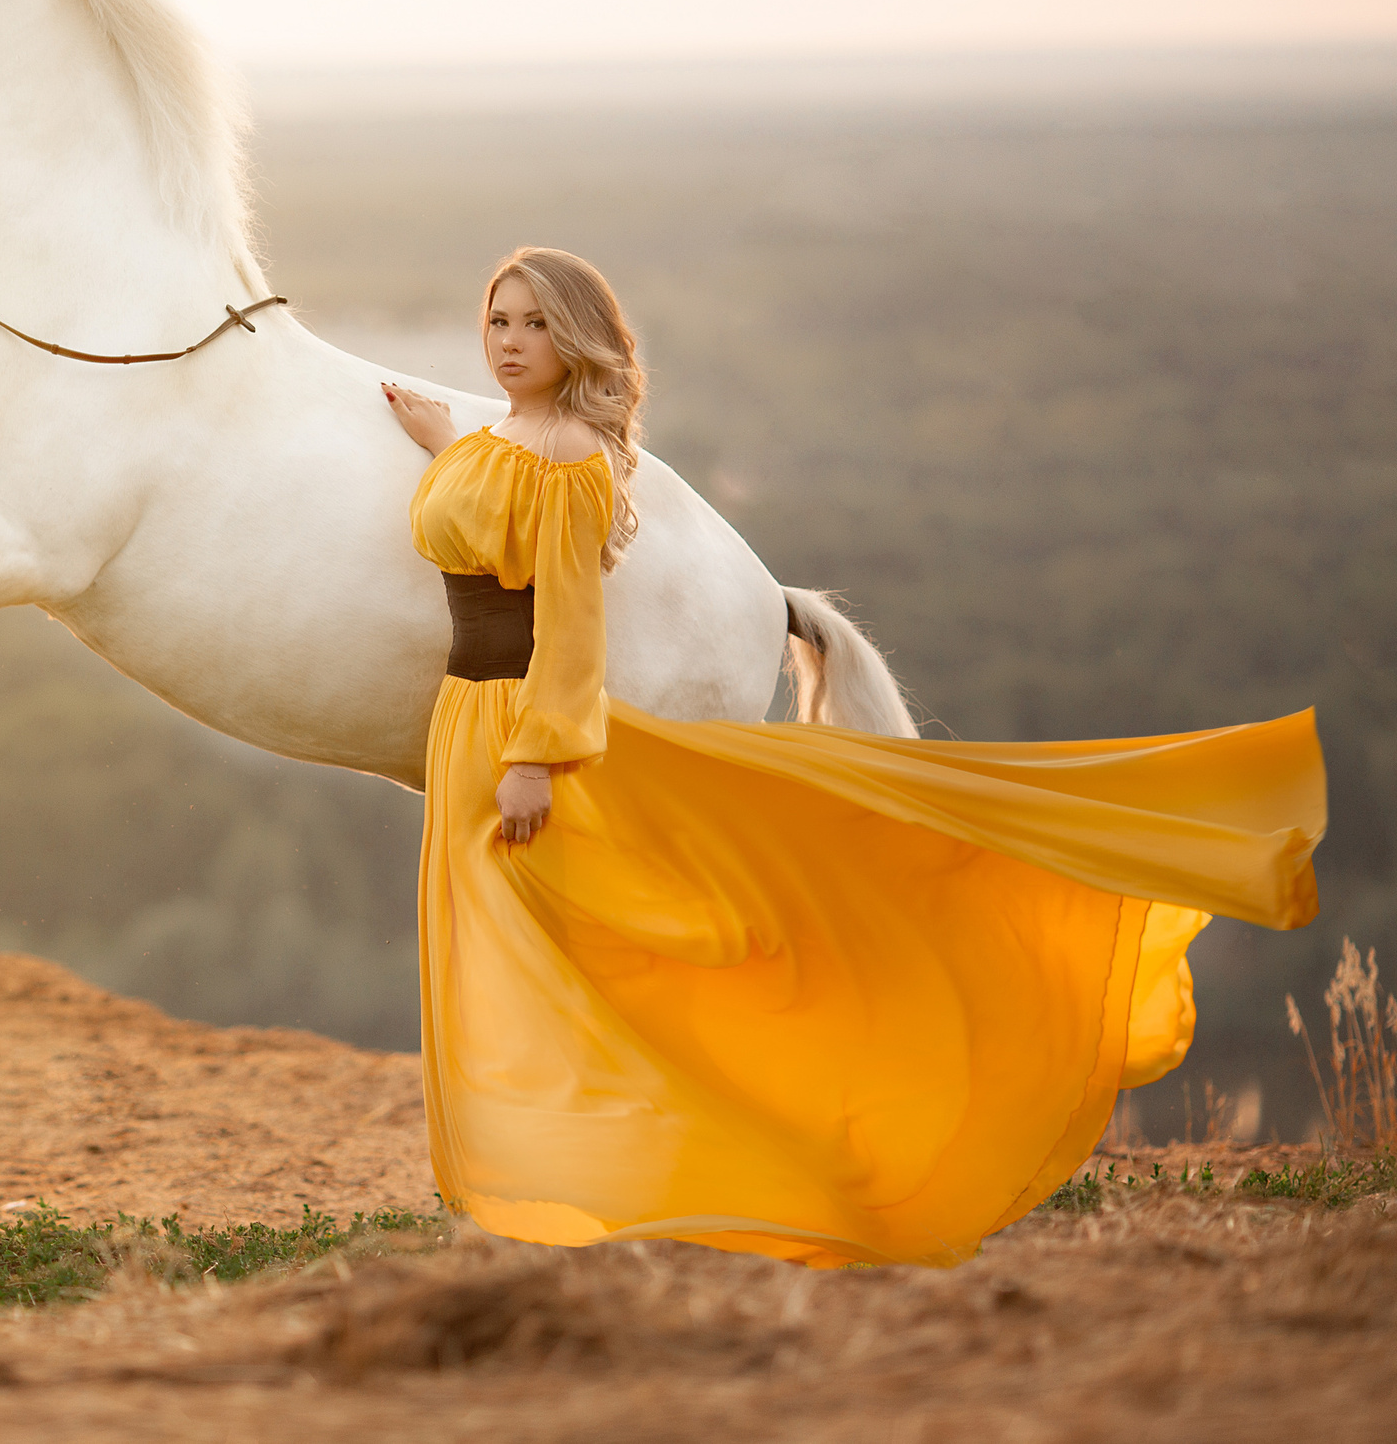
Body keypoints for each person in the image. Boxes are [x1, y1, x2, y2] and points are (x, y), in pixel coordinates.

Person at [380, 246, 1324, 1269]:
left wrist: (533, 757)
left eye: (534, 326)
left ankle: (711, 1165)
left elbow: (568, 622)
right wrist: (446, 446)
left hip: (516, 724)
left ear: (579, 343)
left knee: (599, 948)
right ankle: (556, 1182)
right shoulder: (507, 436)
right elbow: (484, 520)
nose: (511, 344)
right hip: (464, 719)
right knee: (497, 943)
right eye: (499, 322)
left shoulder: (567, 453)